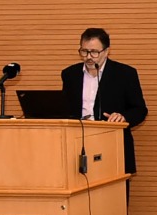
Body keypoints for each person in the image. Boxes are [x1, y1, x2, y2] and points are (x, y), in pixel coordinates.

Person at [61, 28, 149, 176]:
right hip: (77, 144)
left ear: (106, 51)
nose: (89, 57)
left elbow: (140, 109)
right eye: (84, 51)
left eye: (94, 52)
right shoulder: (70, 74)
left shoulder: (125, 74)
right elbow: (65, 108)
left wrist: (123, 117)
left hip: (112, 143)